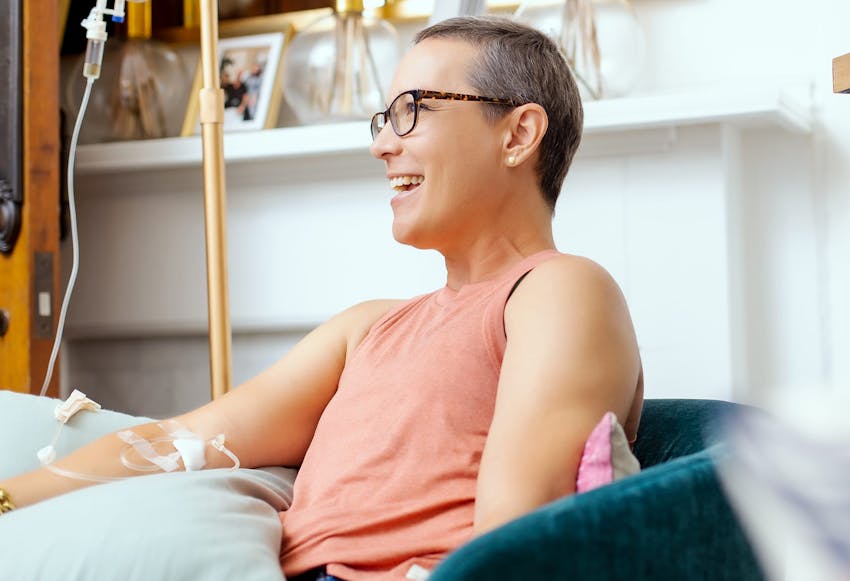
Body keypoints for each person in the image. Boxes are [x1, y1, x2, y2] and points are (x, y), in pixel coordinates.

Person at [0, 15, 643, 581]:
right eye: (383, 120)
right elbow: (178, 441)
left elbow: (512, 542)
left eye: (413, 111)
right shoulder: (366, 328)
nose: (382, 144)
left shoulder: (559, 290)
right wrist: (8, 500)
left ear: (518, 134)